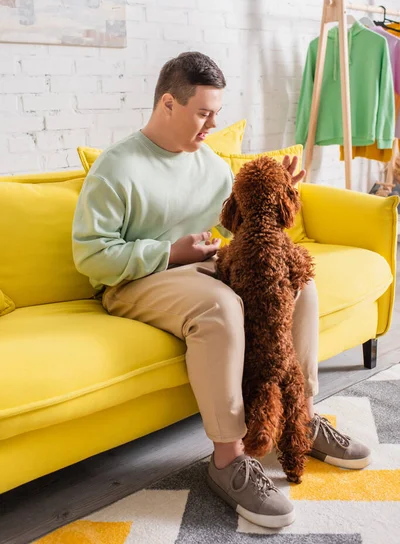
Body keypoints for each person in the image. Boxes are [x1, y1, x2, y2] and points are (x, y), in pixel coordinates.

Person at [72, 51, 371, 530]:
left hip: (204, 267)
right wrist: (172, 252)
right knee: (220, 306)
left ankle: (301, 416)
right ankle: (229, 458)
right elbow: (92, 257)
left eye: (217, 113)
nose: (212, 124)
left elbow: (238, 223)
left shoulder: (208, 163)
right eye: (203, 113)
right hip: (135, 281)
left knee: (298, 284)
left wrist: (282, 199)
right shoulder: (117, 168)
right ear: (168, 104)